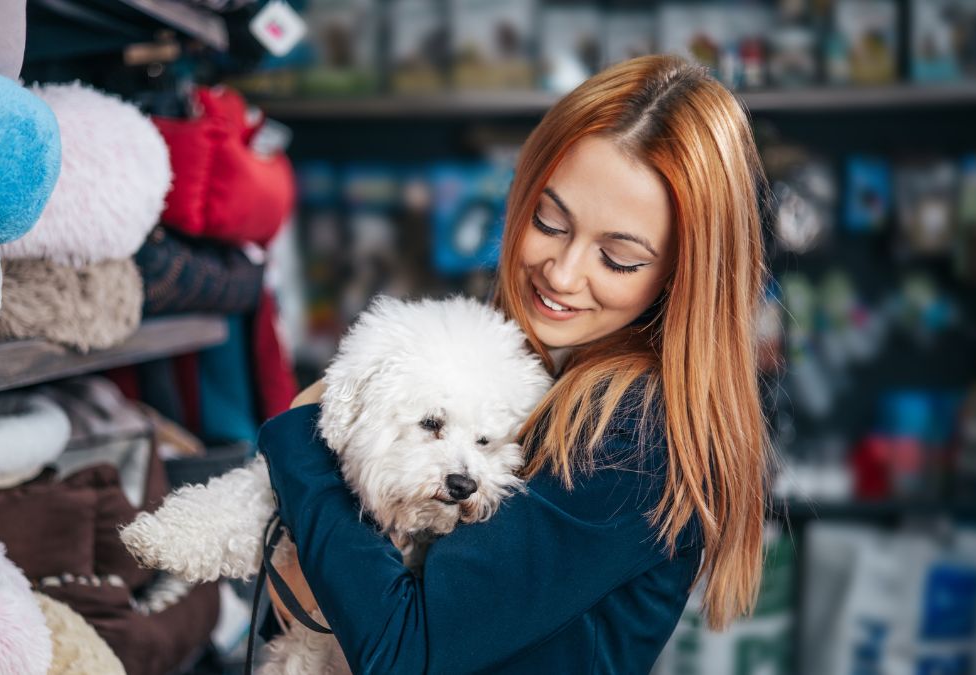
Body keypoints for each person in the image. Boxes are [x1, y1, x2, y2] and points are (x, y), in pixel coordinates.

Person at [257, 53, 771, 674]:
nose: (562, 272)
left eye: (619, 259)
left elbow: (403, 653)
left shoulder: (634, 435)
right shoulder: (522, 363)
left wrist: (301, 437)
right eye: (550, 222)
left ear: (681, 276)